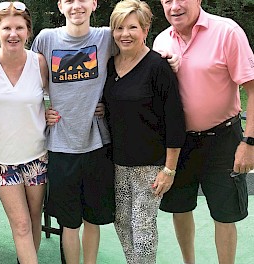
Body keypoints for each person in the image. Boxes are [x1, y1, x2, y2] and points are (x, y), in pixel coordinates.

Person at [152, 0, 254, 263]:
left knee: (225, 213)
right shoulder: (161, 40)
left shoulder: (227, 32)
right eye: (166, 1)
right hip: (179, 143)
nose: (174, 6)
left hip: (223, 140)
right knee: (180, 208)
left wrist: (249, 142)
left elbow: (252, 90)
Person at [30, 1, 117, 263]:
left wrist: (171, 57)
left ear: (94, 4)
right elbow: (24, 73)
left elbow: (137, 57)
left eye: (83, 0)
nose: (76, 6)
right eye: (69, 0)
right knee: (69, 223)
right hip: (60, 146)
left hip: (97, 144)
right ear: (60, 6)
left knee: (93, 219)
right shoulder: (46, 39)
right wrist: (40, 112)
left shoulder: (106, 37)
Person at [103, 0, 186, 263]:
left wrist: (169, 169)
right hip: (118, 162)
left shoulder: (158, 67)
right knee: (122, 222)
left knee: (143, 227)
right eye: (119, 28)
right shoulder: (109, 65)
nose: (124, 34)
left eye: (132, 27)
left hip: (150, 165)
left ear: (146, 28)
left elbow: (174, 119)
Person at [0, 2, 48, 264]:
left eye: (19, 27)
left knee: (33, 219)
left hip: (37, 156)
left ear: (28, 31)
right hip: (0, 160)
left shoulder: (39, 63)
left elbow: (61, 97)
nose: (13, 34)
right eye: (6, 28)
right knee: (21, 225)